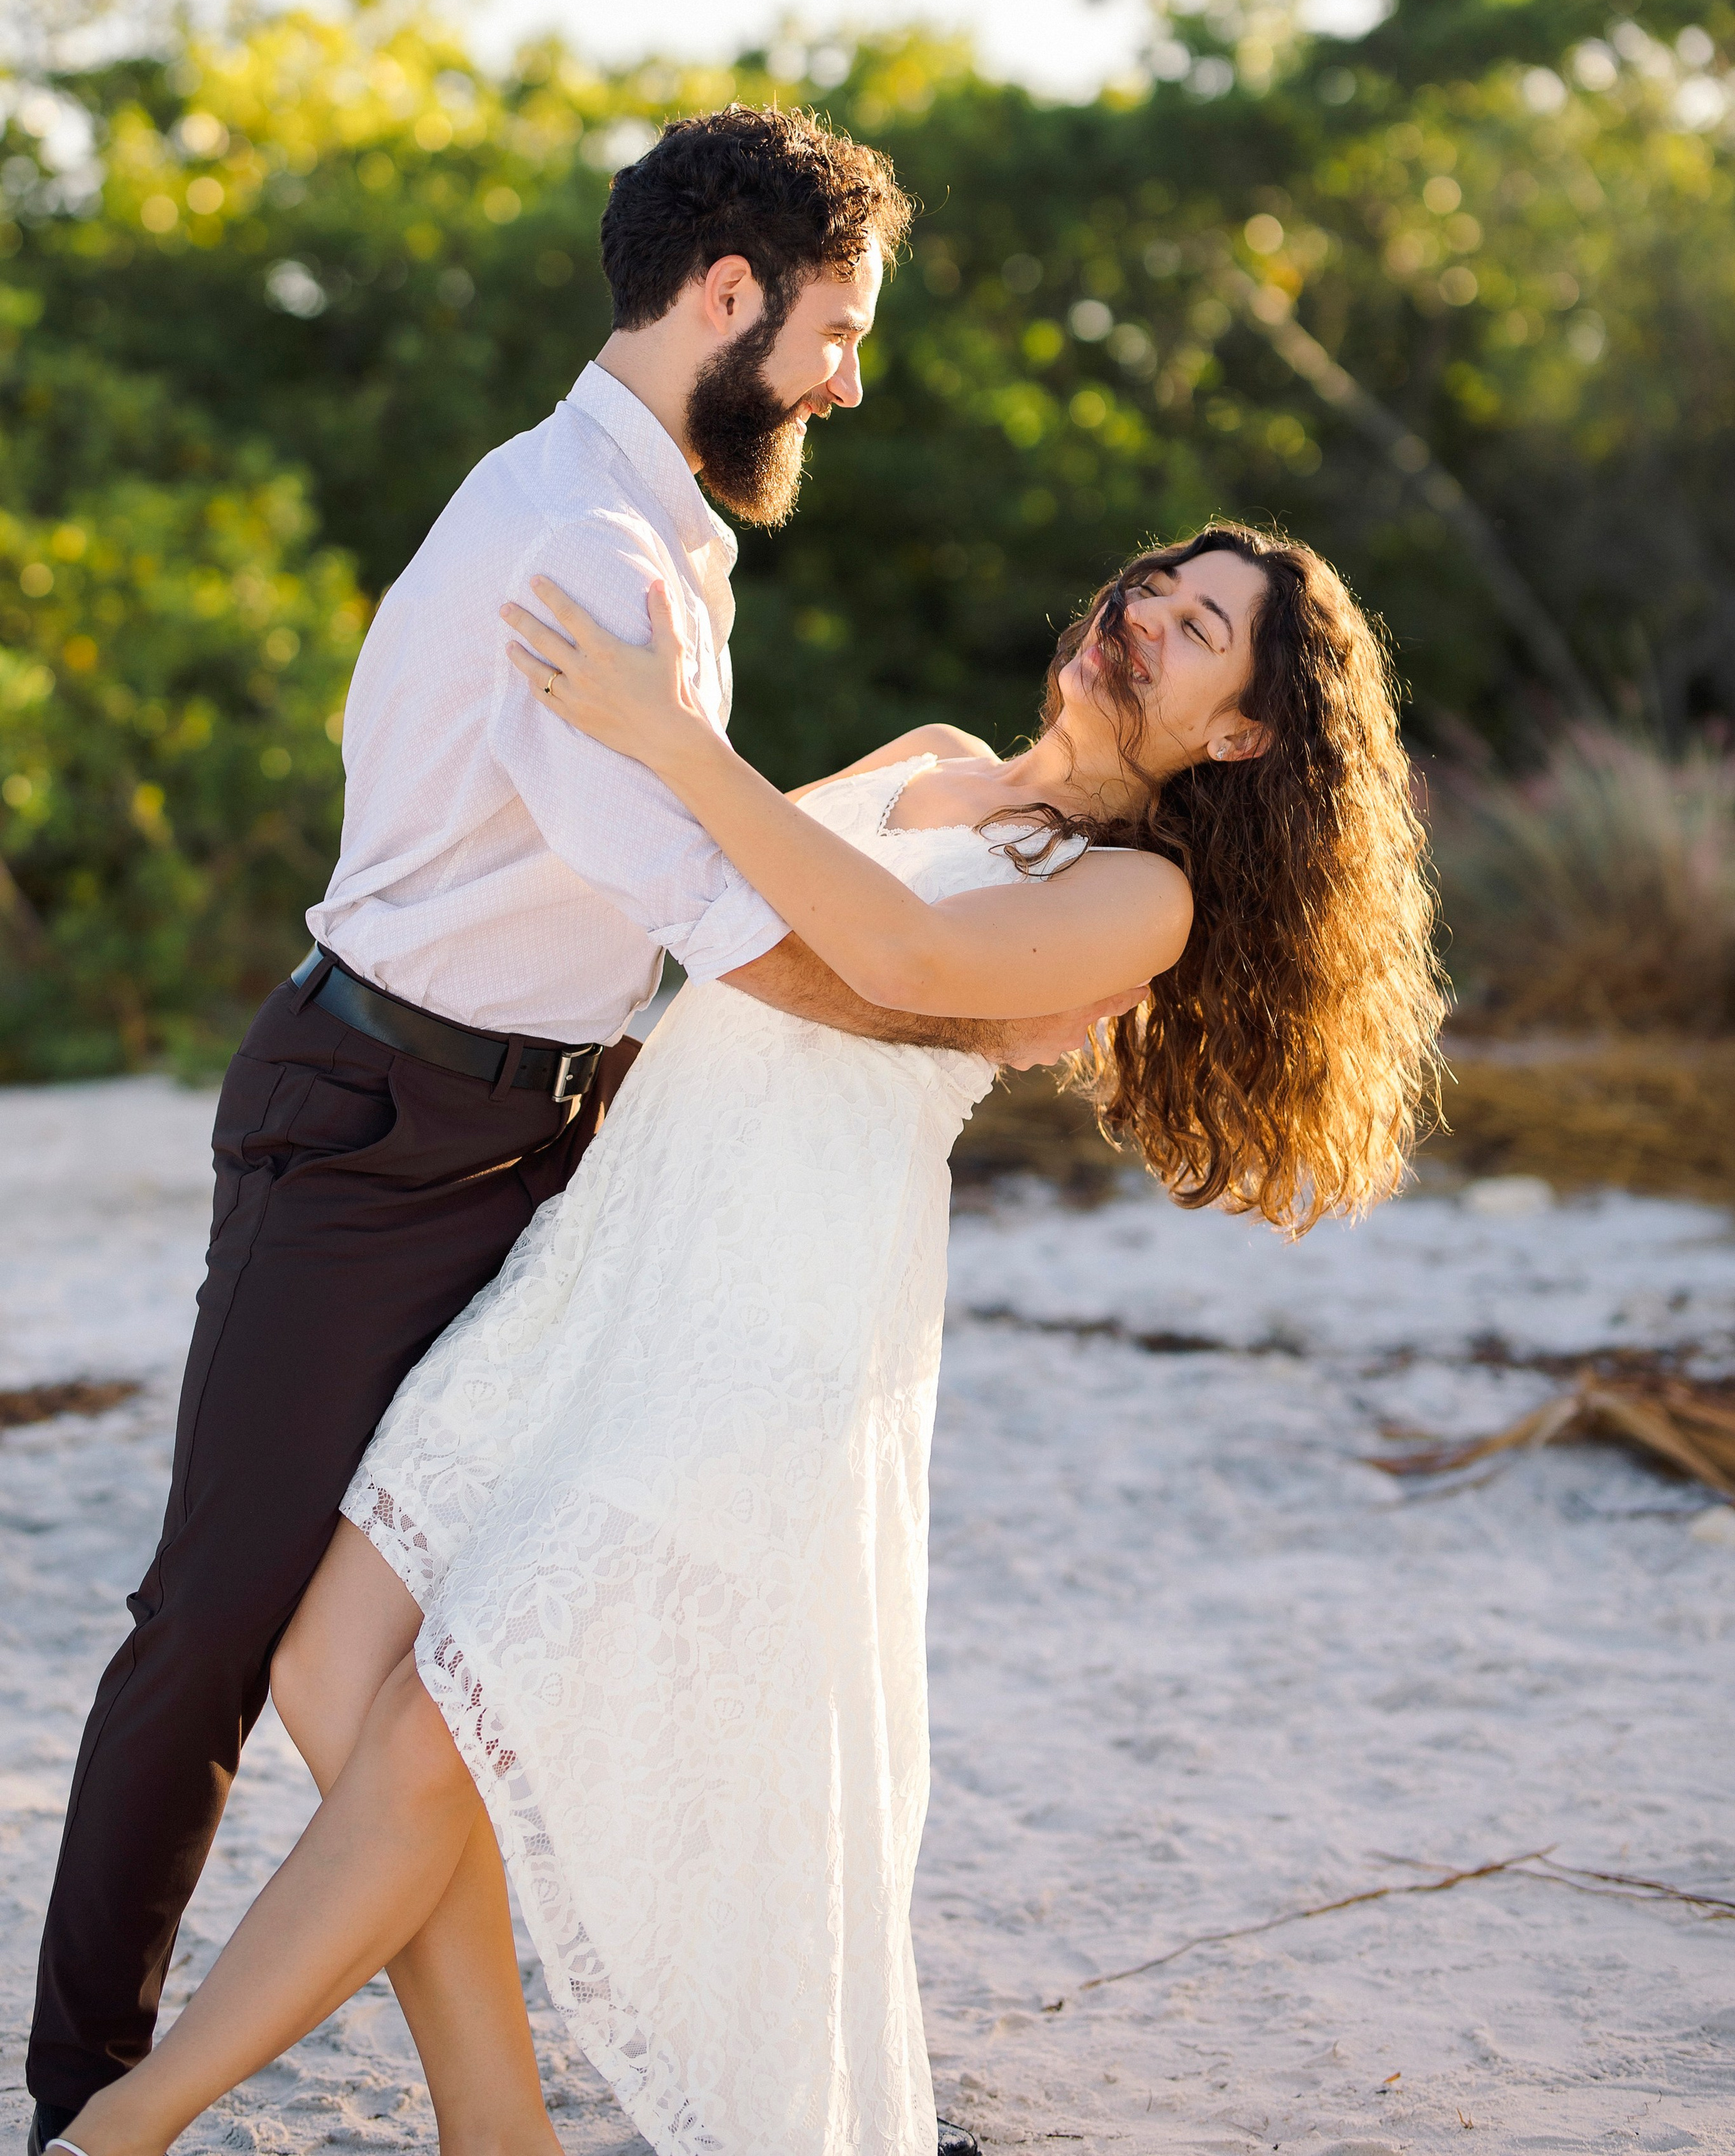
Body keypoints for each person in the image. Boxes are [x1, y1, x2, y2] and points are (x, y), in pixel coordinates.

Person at [46, 524, 1444, 2156]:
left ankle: (123, 2132)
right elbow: (727, 912)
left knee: (439, 1726)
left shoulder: (1136, 895)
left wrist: (666, 733)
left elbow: (895, 950)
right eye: (1154, 586)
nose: (1145, 616)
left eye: (1199, 629)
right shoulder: (925, 758)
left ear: (1242, 734)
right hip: (605, 1262)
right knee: (324, 1665)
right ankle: (500, 2132)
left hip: (770, 1315)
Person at [26, 104, 1112, 2156]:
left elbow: (715, 857)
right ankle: (84, 2099)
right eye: (837, 332)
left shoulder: (656, 527)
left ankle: (509, 2118)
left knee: (455, 1650)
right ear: (727, 295)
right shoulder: (580, 549)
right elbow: (731, 932)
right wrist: (964, 1020)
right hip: (376, 1123)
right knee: (218, 1624)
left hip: (559, 1144)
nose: (846, 383)